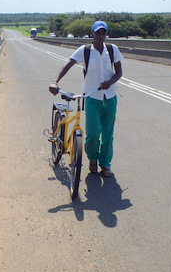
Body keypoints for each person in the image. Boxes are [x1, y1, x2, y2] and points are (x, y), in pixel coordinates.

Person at [49, 21, 123, 177]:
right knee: (94, 133)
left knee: (108, 134)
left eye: (103, 33)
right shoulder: (85, 51)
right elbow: (67, 65)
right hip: (92, 98)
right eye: (98, 33)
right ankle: (92, 159)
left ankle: (105, 164)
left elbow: (119, 73)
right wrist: (55, 81)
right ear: (93, 33)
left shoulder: (112, 49)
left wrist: (109, 83)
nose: (100, 36)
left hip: (110, 97)